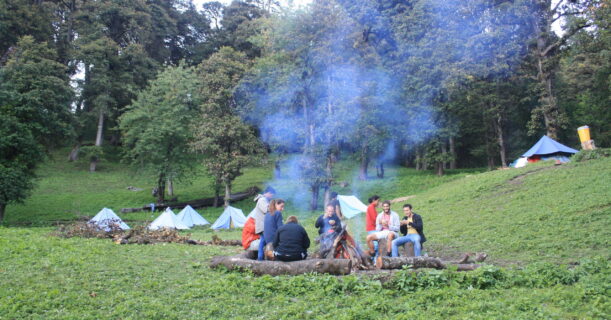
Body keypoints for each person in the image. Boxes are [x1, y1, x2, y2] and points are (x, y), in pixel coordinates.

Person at [252, 186, 275, 260]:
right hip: (263, 226)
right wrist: (274, 207)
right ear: (266, 193)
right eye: (271, 194)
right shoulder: (262, 200)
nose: (272, 196)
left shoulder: (264, 200)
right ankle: (261, 258)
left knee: (263, 241)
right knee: (264, 242)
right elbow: (266, 210)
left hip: (263, 225)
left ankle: (261, 258)